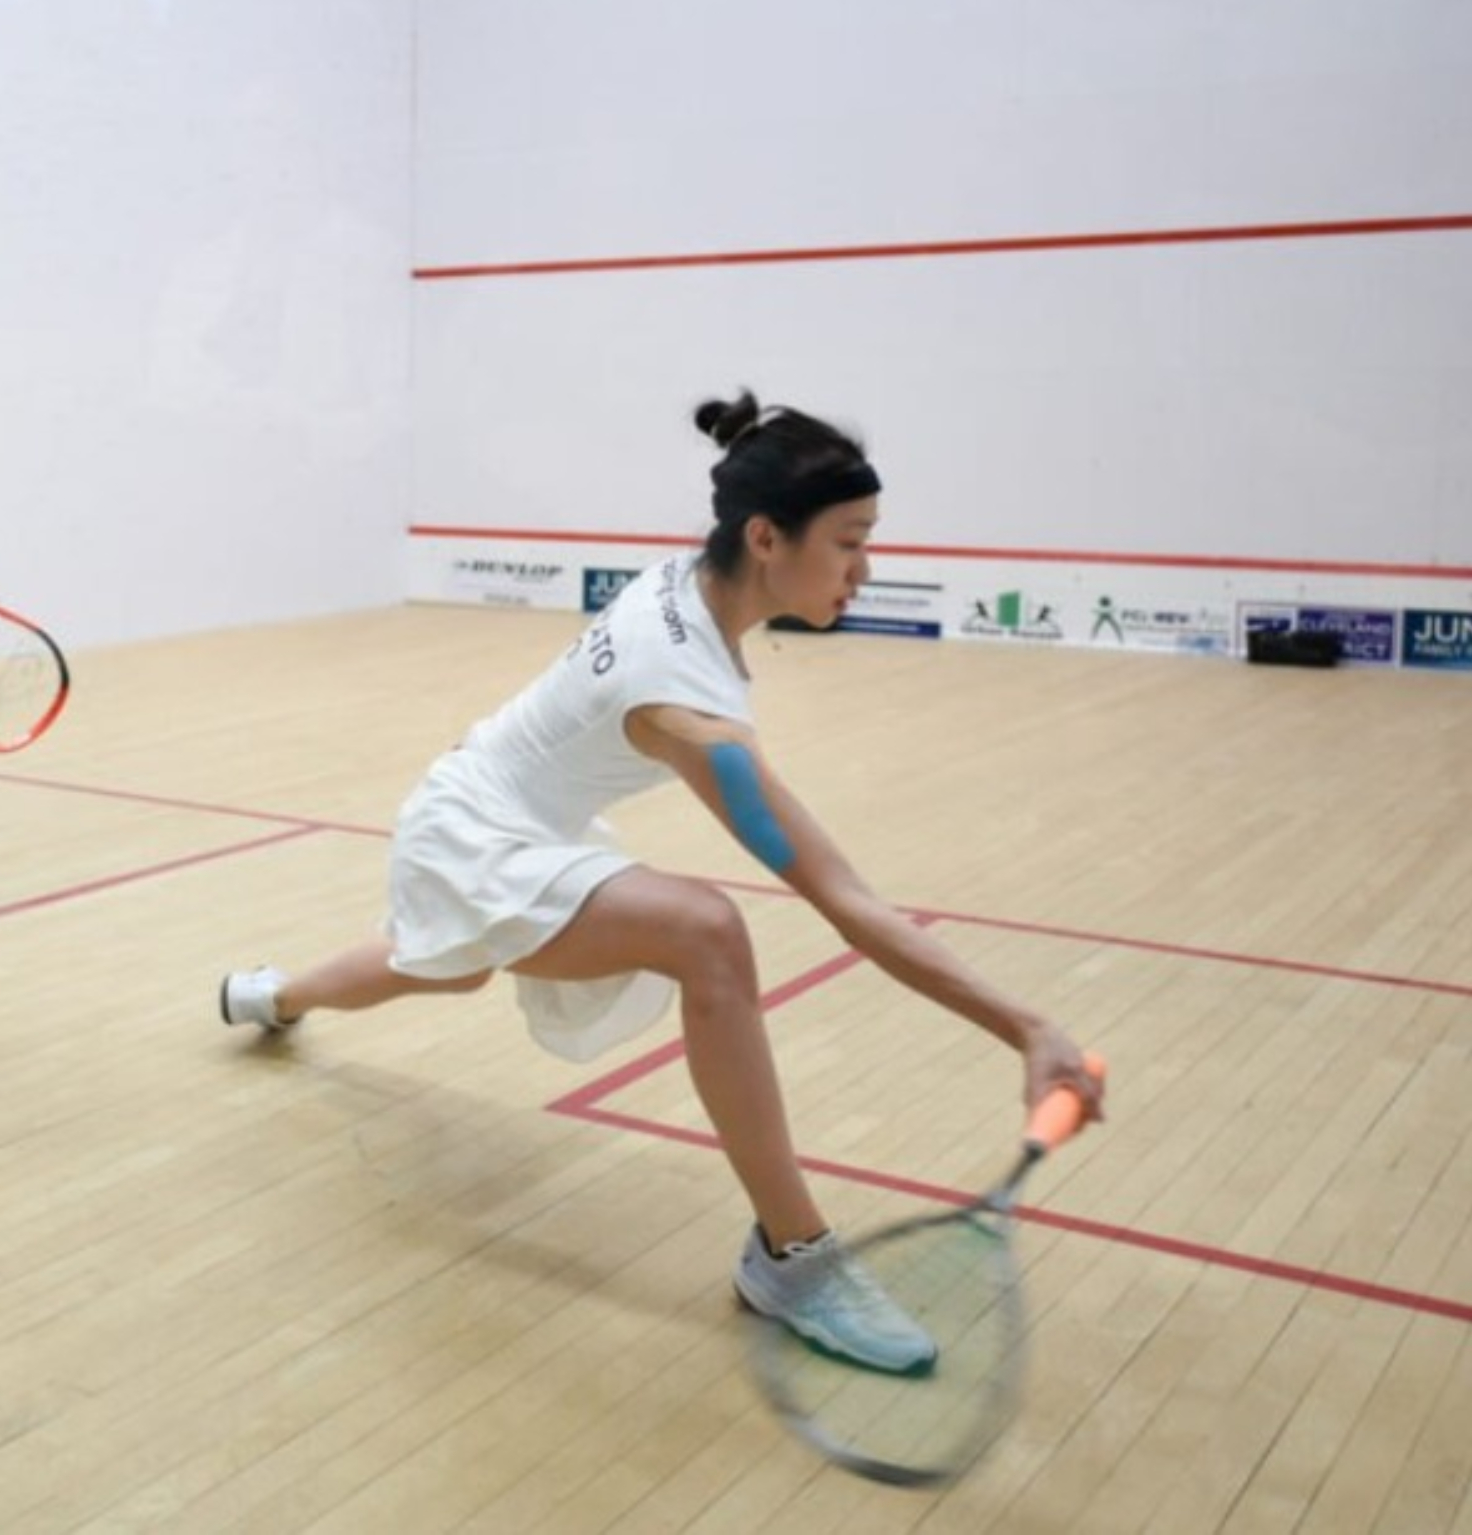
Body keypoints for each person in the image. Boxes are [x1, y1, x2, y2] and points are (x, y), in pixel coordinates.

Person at [217, 391, 1103, 1370]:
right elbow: (844, 900)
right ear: (765, 536)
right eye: (849, 543)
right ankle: (793, 1255)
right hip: (470, 831)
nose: (865, 569)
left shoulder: (695, 585)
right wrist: (1026, 1026)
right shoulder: (685, 707)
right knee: (703, 930)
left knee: (442, 959)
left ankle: (273, 995)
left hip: (488, 808)